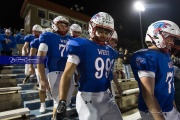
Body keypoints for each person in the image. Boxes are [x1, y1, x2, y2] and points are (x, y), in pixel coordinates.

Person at [56, 12, 123, 120]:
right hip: (87, 98)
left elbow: (108, 74)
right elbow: (67, 74)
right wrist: (62, 100)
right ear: (92, 28)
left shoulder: (110, 50)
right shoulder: (81, 45)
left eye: (107, 32)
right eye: (100, 30)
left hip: (106, 97)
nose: (103, 35)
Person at [130, 20, 180, 120]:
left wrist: (173, 106)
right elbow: (148, 94)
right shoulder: (147, 56)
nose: (172, 42)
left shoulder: (165, 54)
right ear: (157, 36)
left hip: (168, 108)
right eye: (170, 38)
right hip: (154, 111)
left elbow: (167, 87)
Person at [37, 16, 74, 119]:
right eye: (60, 25)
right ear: (54, 25)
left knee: (64, 102)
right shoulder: (48, 36)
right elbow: (40, 58)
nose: (63, 27)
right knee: (58, 102)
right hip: (55, 72)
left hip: (68, 73)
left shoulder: (70, 39)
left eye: (65, 25)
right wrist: (43, 78)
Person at [29, 28, 52, 113]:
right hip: (39, 66)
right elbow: (31, 55)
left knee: (50, 83)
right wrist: (30, 67)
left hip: (51, 66)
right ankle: (42, 104)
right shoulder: (36, 42)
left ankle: (48, 92)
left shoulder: (54, 41)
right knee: (42, 85)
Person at [108, 30, 123, 98]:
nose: (113, 43)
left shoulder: (112, 53)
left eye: (114, 41)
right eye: (112, 40)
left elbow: (112, 72)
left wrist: (118, 86)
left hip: (107, 84)